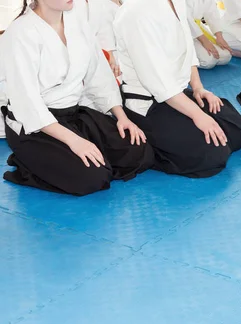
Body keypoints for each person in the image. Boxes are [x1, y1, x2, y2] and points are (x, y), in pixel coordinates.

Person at [0, 0, 153, 196]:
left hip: (73, 114)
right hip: (35, 127)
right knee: (92, 178)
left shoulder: (76, 21)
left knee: (139, 151)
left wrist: (121, 117)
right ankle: (27, 163)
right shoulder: (20, 33)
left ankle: (78, 161)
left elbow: (98, 74)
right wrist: (74, 141)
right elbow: (27, 103)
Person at [114, 0, 241, 178]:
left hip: (178, 94)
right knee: (212, 155)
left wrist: (198, 88)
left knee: (240, 132)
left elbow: (188, 48)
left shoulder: (176, 2)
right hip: (149, 104)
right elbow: (157, 81)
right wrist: (198, 115)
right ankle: (146, 148)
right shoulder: (135, 12)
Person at [186, 0, 233, 69]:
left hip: (198, 29)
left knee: (226, 56)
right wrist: (205, 41)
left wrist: (219, 36)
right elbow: (186, 18)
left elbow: (212, 13)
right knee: (208, 62)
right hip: (183, 31)